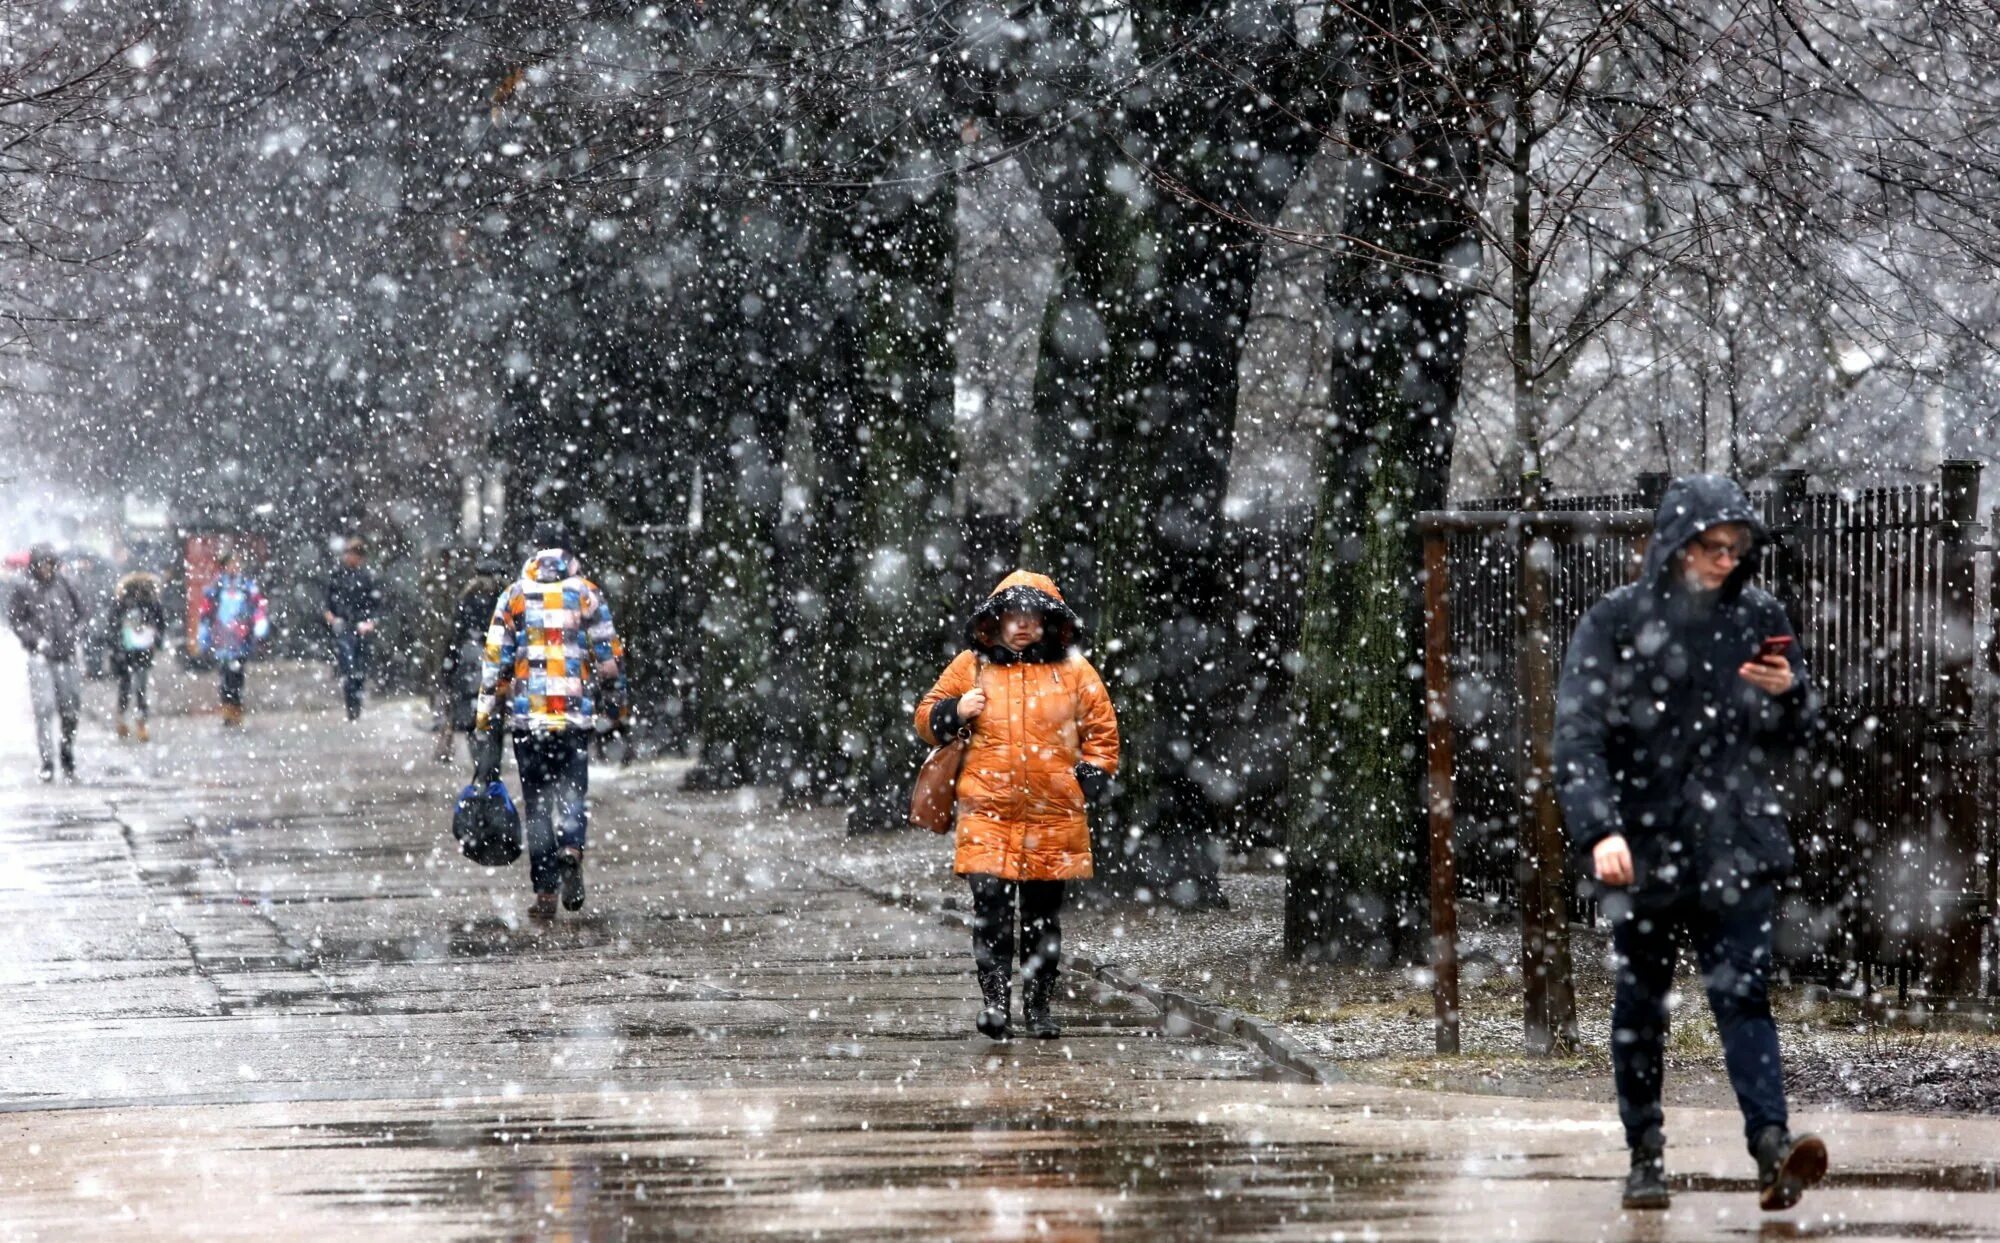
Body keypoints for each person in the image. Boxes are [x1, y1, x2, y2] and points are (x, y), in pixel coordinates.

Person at [1555, 474, 1827, 1214]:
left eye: (1738, 548)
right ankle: (1645, 1153)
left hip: (1734, 843)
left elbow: (1803, 734)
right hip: (1642, 847)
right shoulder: (1615, 622)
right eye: (1714, 546)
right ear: (1677, 544)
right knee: (1641, 1006)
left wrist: (1790, 693)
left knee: (1745, 999)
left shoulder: (1758, 616)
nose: (1726, 560)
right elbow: (1577, 736)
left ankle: (1772, 1146)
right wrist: (1599, 827)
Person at [914, 571, 1119, 1040]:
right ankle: (995, 1005)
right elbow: (926, 718)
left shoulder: (1075, 671)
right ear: (997, 620)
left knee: (1042, 920)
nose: (1022, 626)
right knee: (992, 913)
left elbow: (1102, 732)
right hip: (987, 816)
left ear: (1049, 621)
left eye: (1032, 616)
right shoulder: (971, 666)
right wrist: (956, 711)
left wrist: (1087, 779)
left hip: (1053, 818)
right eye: (1013, 616)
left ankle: (1039, 1007)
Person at [473, 524, 626, 922]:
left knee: (538, 804)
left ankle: (544, 891)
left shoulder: (514, 596)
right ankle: (571, 849)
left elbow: (495, 664)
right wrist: (614, 704)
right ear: (570, 556)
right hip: (573, 715)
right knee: (573, 790)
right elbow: (609, 658)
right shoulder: (586, 593)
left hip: (529, 719)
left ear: (534, 556)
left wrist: (485, 719)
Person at [8, 546, 86, 781]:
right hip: (41, 658)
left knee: (70, 708)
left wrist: (74, 634)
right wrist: (35, 640)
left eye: (49, 564)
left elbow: (82, 613)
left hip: (67, 655)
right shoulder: (24, 588)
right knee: (44, 708)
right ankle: (47, 760)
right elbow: (16, 620)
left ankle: (66, 751)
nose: (45, 569)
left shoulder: (65, 584)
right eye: (42, 565)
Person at [436, 553, 509, 763]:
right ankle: (490, 767)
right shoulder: (507, 601)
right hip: (495, 666)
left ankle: (481, 766)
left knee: (473, 719)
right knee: (493, 719)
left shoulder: (467, 599)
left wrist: (447, 670)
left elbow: (454, 637)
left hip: (471, 667)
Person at [196, 551, 269, 728]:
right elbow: (206, 611)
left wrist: (259, 626)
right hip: (221, 635)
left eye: (237, 564)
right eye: (231, 564)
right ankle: (227, 708)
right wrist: (204, 633)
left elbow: (258, 606)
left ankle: (236, 706)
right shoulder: (217, 586)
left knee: (237, 673)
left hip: (240, 636)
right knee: (224, 674)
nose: (234, 567)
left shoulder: (247, 586)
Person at [323, 538, 383, 721]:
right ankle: (352, 707)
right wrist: (332, 619)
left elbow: (377, 605)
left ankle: (356, 701)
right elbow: (327, 603)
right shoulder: (337, 575)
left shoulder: (368, 577)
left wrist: (371, 622)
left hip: (362, 626)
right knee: (348, 667)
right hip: (344, 625)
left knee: (360, 669)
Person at [108, 571, 166, 742]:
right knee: (128, 686)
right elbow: (112, 625)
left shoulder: (150, 604)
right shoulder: (124, 604)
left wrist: (156, 640)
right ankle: (126, 718)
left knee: (138, 686)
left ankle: (136, 721)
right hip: (127, 651)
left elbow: (160, 624)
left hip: (139, 650)